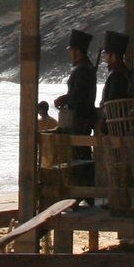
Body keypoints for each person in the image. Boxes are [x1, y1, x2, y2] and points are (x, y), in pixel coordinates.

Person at [55, 30, 97, 184]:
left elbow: (78, 95)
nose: (70, 54)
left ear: (77, 51)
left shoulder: (82, 69)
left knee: (80, 155)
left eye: (71, 50)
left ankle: (83, 188)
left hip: (80, 118)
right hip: (82, 117)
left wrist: (63, 98)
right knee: (82, 153)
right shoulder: (86, 68)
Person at [99, 31, 131, 109]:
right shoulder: (124, 71)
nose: (104, 56)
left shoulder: (116, 75)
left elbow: (111, 102)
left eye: (106, 53)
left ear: (112, 55)